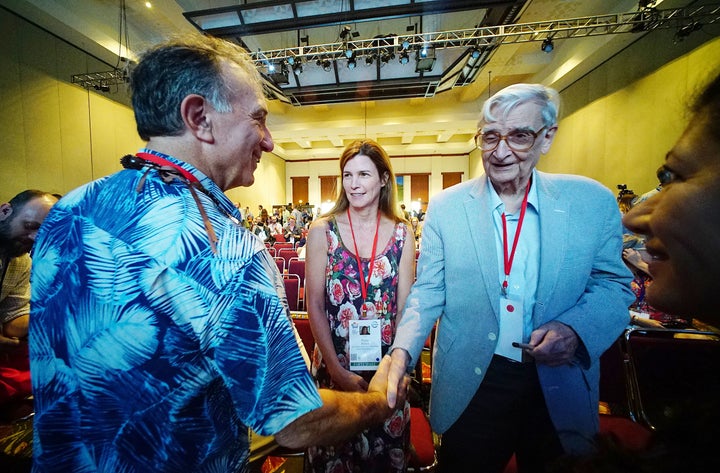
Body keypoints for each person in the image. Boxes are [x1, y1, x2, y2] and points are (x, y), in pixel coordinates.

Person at [28, 34, 407, 473]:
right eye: (259, 120)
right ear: (199, 117)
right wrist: (379, 403)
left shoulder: (69, 209)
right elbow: (295, 423)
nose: (267, 141)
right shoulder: (225, 250)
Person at [386, 83, 635, 473]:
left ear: (546, 137)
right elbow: (429, 290)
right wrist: (400, 354)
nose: (501, 152)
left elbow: (615, 286)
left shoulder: (591, 202)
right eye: (490, 137)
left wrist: (575, 330)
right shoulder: (447, 207)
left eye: (519, 136)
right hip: (473, 384)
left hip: (559, 384)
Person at [305, 139, 416, 473]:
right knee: (333, 457)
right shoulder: (322, 230)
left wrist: (400, 368)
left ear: (383, 179)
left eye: (364, 174)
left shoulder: (402, 233)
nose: (353, 184)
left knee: (382, 460)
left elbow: (404, 310)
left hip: (386, 368)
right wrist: (337, 371)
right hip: (334, 363)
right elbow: (315, 304)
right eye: (347, 175)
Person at [1, 190, 58, 405]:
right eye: (30, 226)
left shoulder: (21, 261)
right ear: (5, 211)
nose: (34, 238)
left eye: (42, 233)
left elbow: (13, 322)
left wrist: (58, 315)